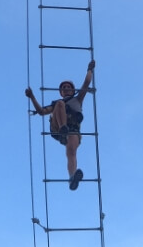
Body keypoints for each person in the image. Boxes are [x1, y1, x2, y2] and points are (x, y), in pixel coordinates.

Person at [25, 60, 95, 190]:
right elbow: (41, 112)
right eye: (64, 88)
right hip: (59, 128)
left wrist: (90, 70)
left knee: (71, 152)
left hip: (72, 130)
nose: (66, 89)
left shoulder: (77, 99)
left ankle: (72, 177)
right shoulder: (56, 103)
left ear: (73, 90)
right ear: (61, 92)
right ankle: (63, 128)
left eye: (69, 87)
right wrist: (32, 97)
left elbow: (86, 84)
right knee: (60, 104)